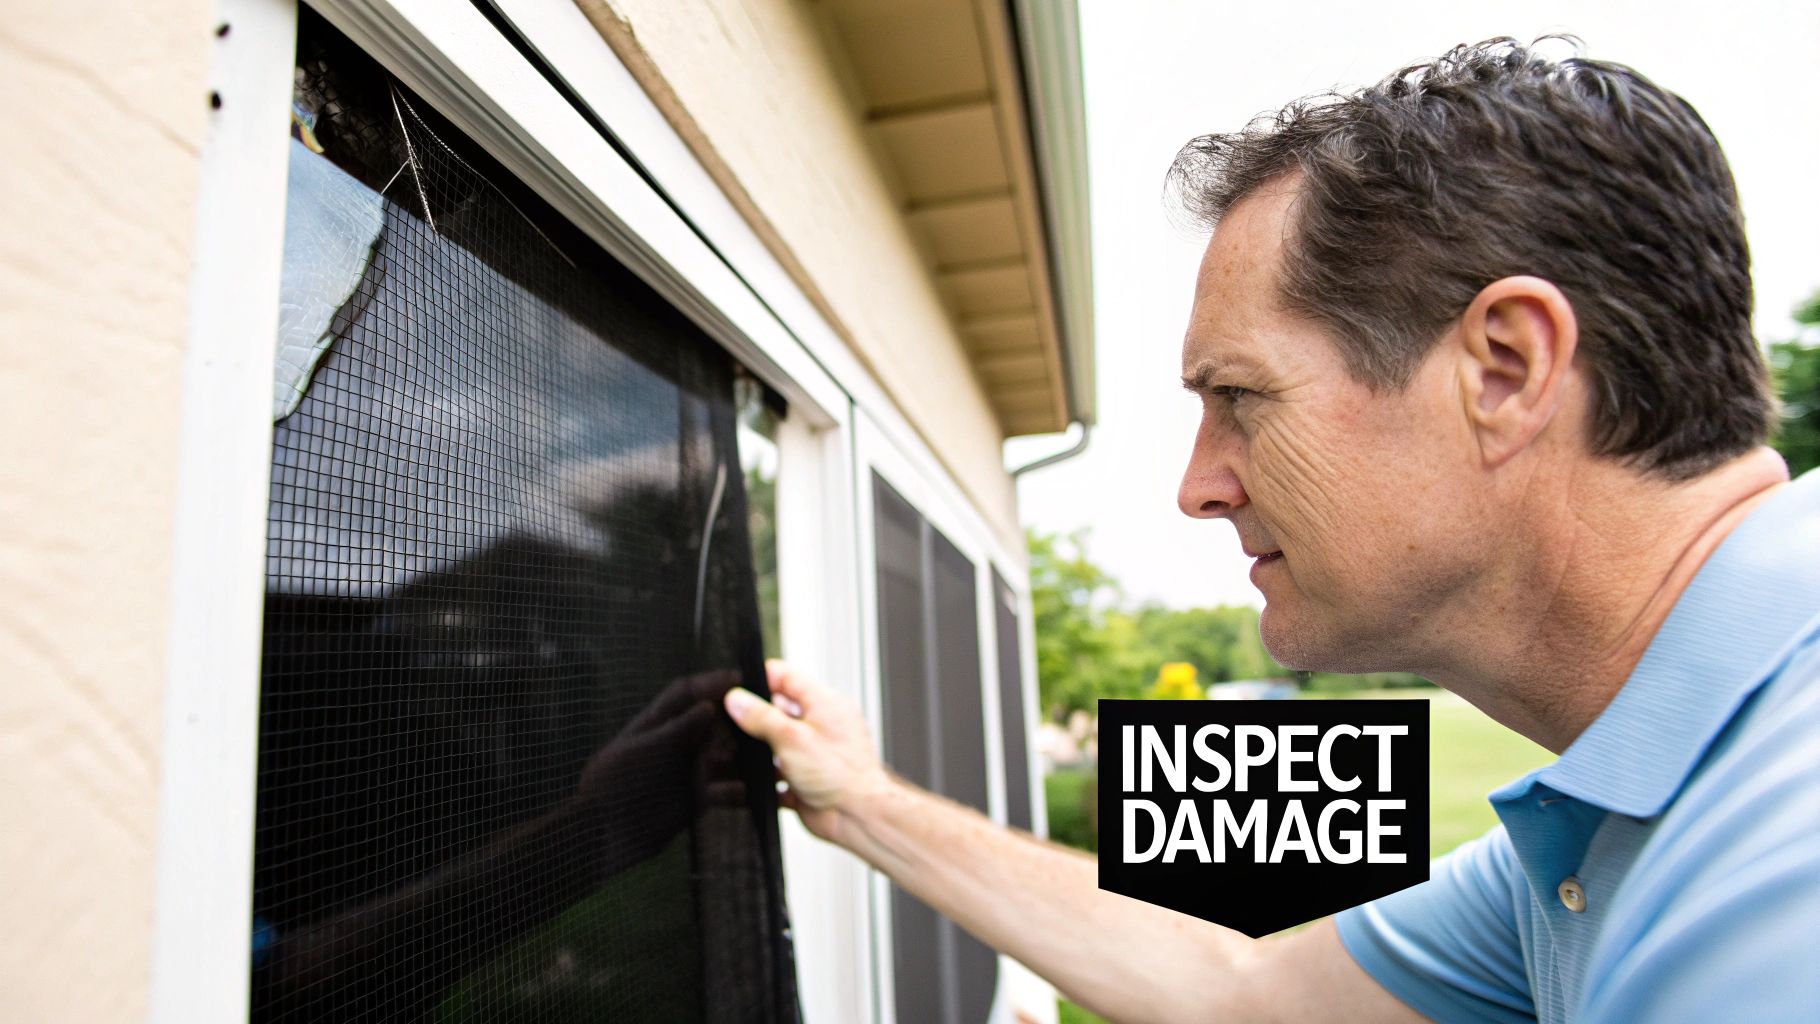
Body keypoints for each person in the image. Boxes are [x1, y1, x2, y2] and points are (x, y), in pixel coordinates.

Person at [724, 37, 1820, 1023]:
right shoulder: (1601, 824)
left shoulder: (1774, 874)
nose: (1197, 487)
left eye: (1239, 397)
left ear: (1504, 370)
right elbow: (1243, 995)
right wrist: (860, 802)